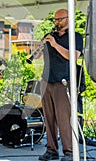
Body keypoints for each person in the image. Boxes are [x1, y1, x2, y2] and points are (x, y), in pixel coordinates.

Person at [37, 9, 83, 161]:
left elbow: (73, 56)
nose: (57, 22)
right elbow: (39, 56)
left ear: (68, 18)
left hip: (64, 81)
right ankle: (51, 150)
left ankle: (69, 152)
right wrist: (37, 49)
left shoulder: (75, 36)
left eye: (60, 19)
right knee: (48, 118)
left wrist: (55, 45)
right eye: (55, 20)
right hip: (47, 80)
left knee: (64, 118)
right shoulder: (50, 36)